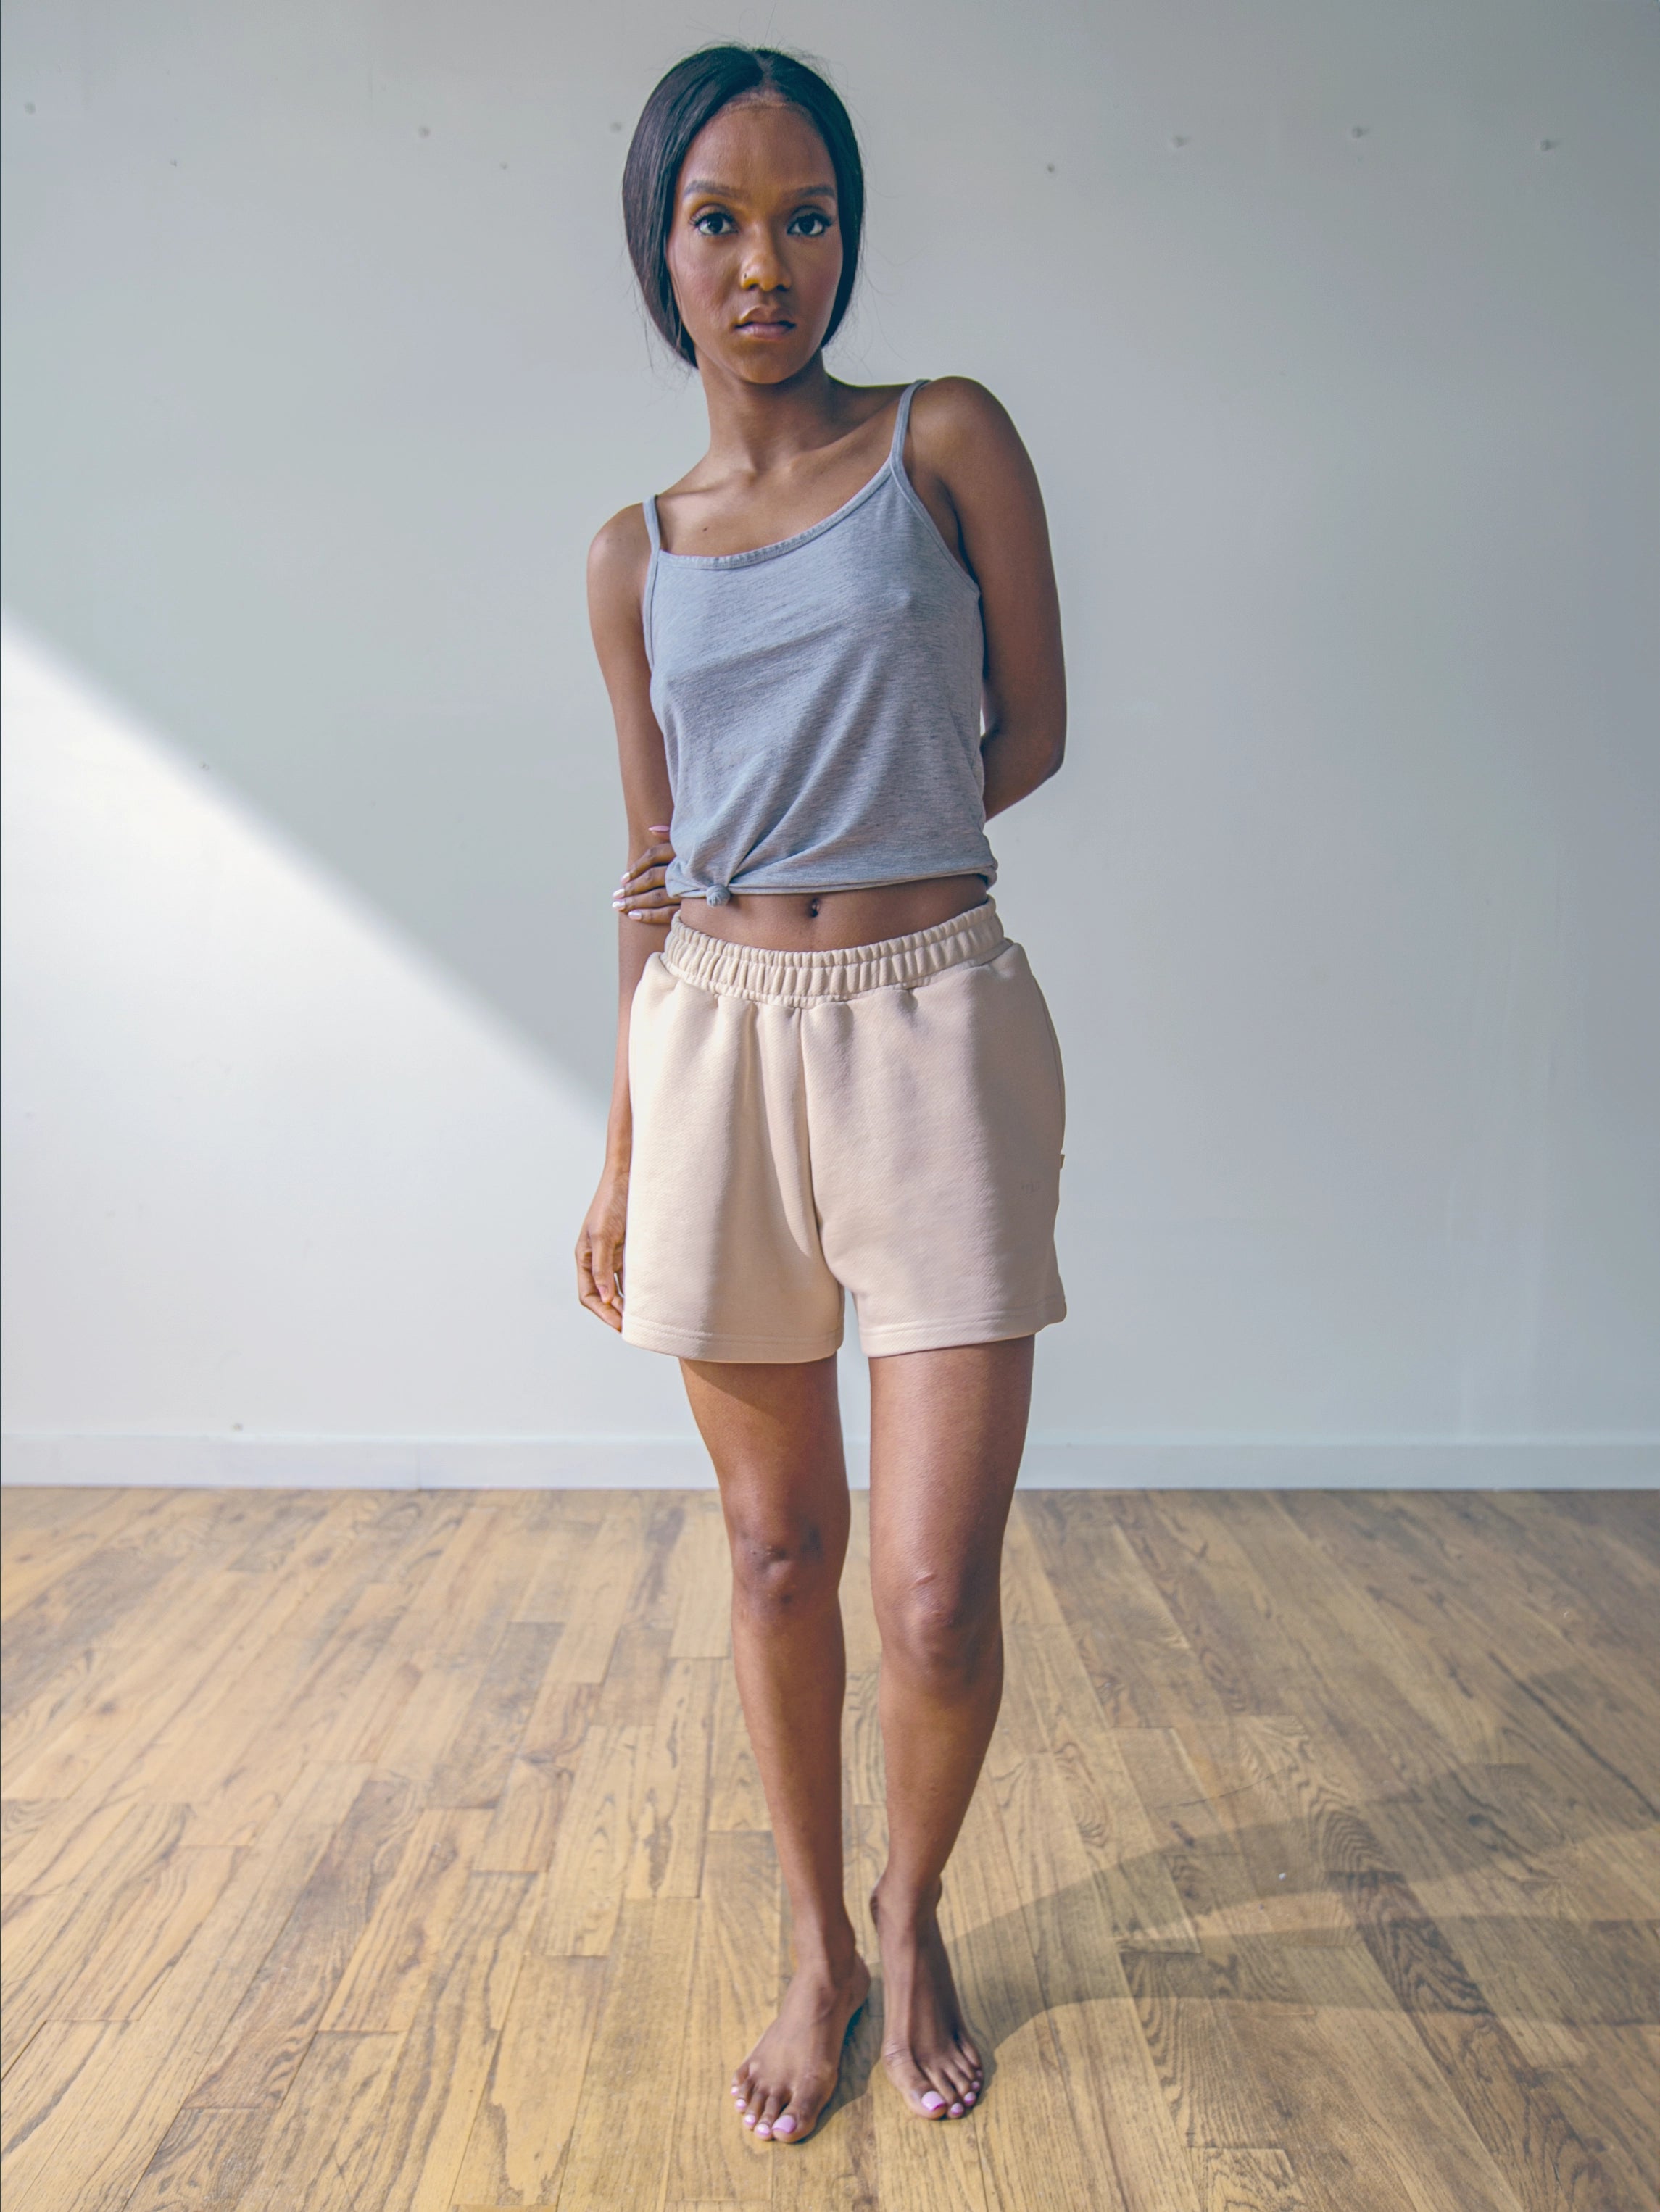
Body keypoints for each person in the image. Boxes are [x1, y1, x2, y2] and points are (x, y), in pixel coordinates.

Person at [575, 43, 1068, 2148]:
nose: (763, 259)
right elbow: (649, 866)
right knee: (779, 1553)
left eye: (802, 215)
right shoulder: (634, 552)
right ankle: (817, 1941)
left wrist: (877, 862)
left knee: (930, 1588)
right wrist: (620, 1144)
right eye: (718, 219)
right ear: (660, 255)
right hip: (710, 1047)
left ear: (845, 238)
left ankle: (912, 1896)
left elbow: (1025, 729)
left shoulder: (941, 439)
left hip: (933, 1024)